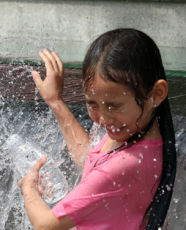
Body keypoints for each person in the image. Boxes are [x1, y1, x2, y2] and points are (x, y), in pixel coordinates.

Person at [18, 28, 177, 230]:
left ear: (157, 93)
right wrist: (55, 101)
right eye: (92, 104)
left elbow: (45, 225)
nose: (102, 118)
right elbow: (91, 161)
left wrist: (28, 188)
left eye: (113, 105)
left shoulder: (125, 164)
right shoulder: (140, 132)